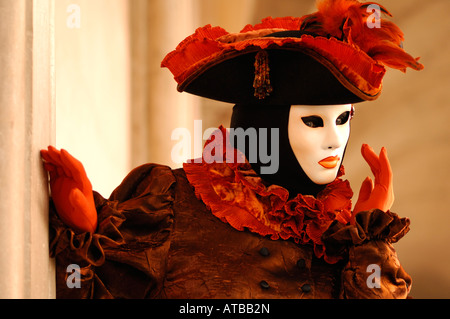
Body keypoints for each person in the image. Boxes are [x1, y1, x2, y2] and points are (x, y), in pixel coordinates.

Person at [42, 0, 423, 299]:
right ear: (264, 124)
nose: (334, 141)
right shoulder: (171, 206)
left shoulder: (343, 243)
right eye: (313, 121)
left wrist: (371, 240)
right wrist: (85, 235)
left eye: (344, 120)